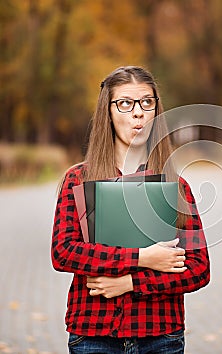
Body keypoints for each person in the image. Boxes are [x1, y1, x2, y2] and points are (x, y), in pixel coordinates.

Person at [51, 66, 210, 354]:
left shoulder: (176, 186)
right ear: (108, 112)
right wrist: (143, 257)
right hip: (93, 335)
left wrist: (130, 282)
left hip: (161, 336)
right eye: (125, 103)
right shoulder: (78, 180)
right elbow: (63, 252)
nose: (138, 112)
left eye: (146, 102)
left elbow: (198, 269)